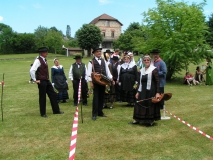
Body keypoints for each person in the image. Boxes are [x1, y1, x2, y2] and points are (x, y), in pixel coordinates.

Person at [30, 47, 64, 118]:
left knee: (53, 94)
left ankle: (56, 110)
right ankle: (43, 113)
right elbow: (32, 70)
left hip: (46, 80)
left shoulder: (44, 60)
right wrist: (35, 79)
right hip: (41, 81)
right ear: (42, 53)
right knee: (42, 97)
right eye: (46, 52)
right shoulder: (38, 60)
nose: (47, 53)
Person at [129, 55, 161, 126]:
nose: (146, 61)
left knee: (149, 104)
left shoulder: (154, 69)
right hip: (142, 90)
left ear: (150, 61)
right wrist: (138, 91)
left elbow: (158, 81)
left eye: (148, 60)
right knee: (139, 103)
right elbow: (139, 81)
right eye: (145, 60)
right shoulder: (141, 70)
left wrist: (158, 92)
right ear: (143, 61)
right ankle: (137, 119)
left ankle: (150, 120)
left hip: (151, 90)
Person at [87, 46, 114, 120]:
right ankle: (94, 114)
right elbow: (89, 73)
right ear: (94, 53)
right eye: (97, 52)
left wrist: (111, 79)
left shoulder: (103, 61)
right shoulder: (91, 62)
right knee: (96, 98)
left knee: (102, 97)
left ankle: (100, 112)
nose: (99, 53)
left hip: (103, 82)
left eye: (100, 51)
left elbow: (107, 71)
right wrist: (90, 82)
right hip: (95, 82)